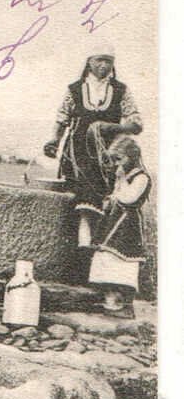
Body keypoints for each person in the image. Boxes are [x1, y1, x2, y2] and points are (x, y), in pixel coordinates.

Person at [43, 46, 142, 282]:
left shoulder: (121, 91)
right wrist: (54, 141)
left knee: (102, 208)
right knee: (77, 206)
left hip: (109, 158)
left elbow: (137, 124)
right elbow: (61, 119)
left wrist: (112, 127)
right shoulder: (75, 90)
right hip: (77, 157)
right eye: (99, 60)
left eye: (108, 61)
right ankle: (74, 265)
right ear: (89, 62)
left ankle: (94, 268)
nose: (103, 66)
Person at [88, 136, 151, 318]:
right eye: (115, 160)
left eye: (119, 159)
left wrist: (121, 180)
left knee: (119, 258)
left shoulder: (141, 177)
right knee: (105, 254)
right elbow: (116, 196)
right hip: (113, 221)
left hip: (127, 224)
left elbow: (128, 198)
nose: (116, 163)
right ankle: (110, 301)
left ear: (131, 157)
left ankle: (121, 303)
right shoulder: (123, 175)